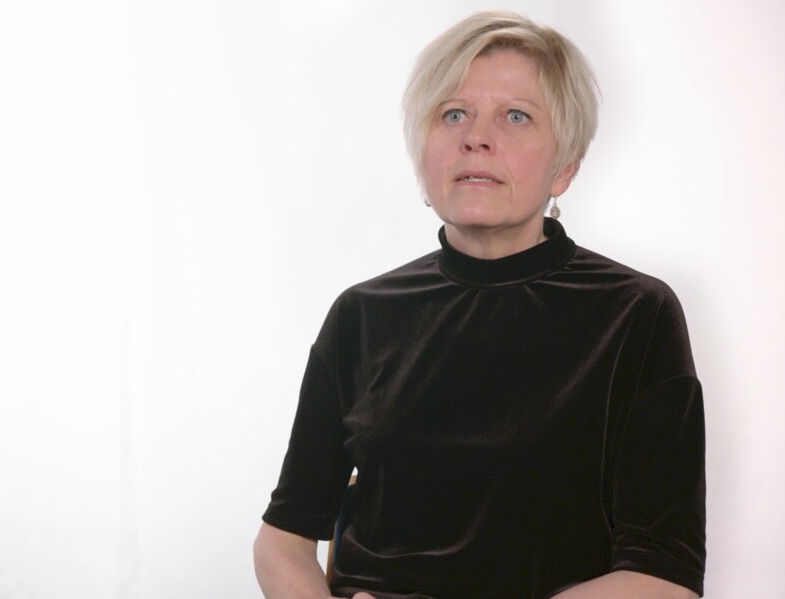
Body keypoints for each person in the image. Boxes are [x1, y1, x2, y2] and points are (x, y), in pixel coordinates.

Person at [253, 10, 705, 599]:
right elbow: (283, 537)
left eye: (516, 116)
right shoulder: (360, 316)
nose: (476, 137)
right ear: (424, 154)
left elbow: (664, 575)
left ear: (565, 168)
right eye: (453, 114)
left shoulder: (636, 315)